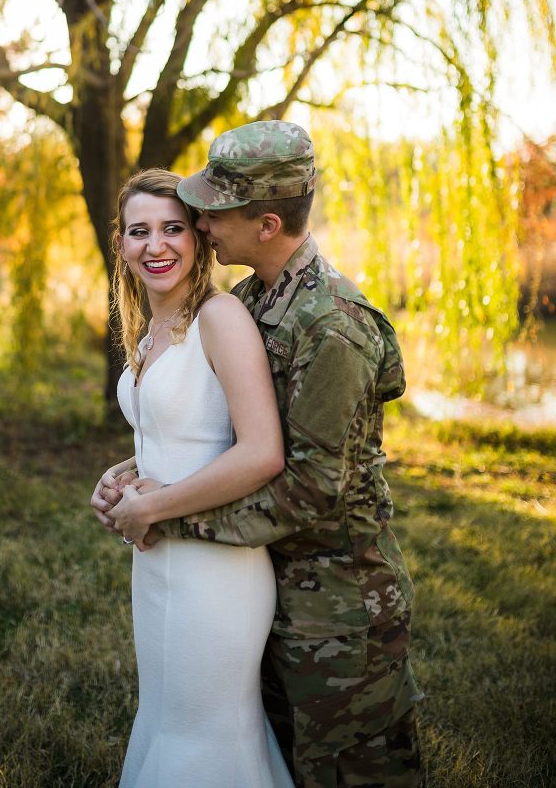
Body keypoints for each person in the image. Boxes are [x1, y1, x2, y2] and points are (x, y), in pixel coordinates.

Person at [94, 123, 423, 788]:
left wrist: (163, 515)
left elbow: (304, 486)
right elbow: (215, 424)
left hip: (338, 603)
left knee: (351, 773)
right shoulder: (251, 300)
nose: (202, 221)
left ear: (266, 222)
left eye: (213, 210)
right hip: (264, 577)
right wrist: (134, 476)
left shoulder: (334, 327)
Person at [92, 167, 294, 788]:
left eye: (172, 228)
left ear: (200, 236)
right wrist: (122, 478)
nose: (156, 246)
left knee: (206, 733)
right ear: (121, 246)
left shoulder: (221, 318)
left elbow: (262, 452)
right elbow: (179, 436)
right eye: (139, 231)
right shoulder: (148, 332)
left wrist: (155, 507)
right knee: (167, 718)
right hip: (156, 561)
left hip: (216, 568)